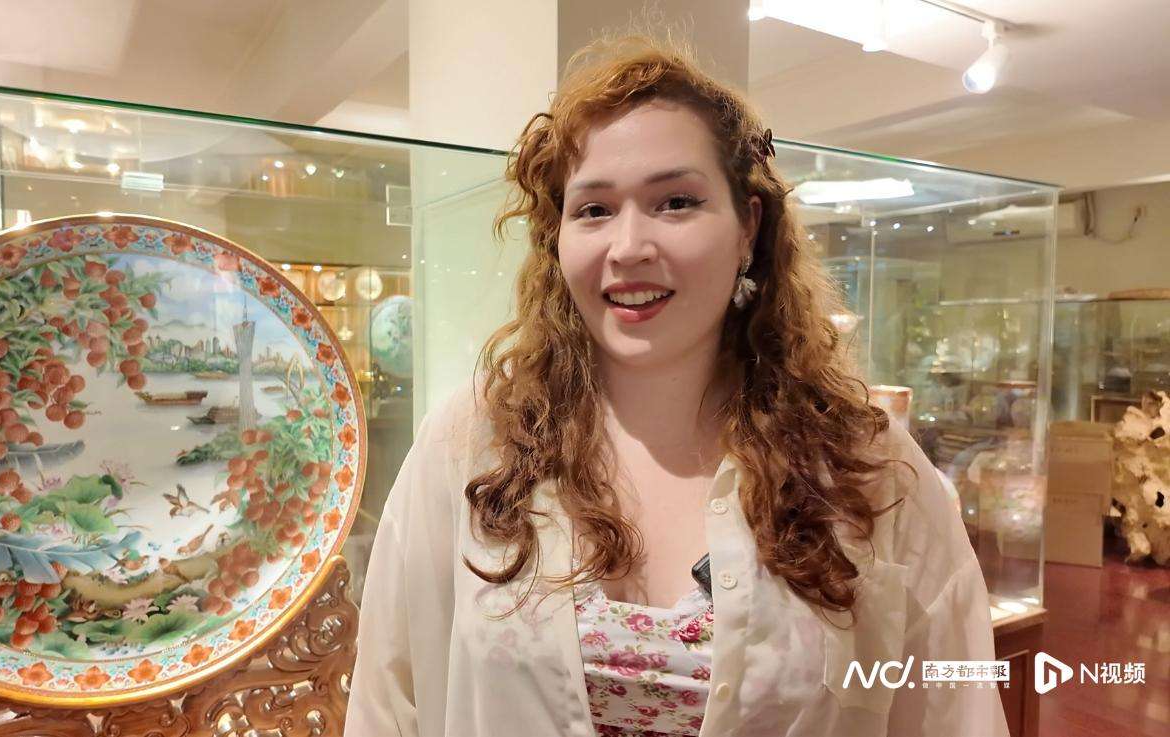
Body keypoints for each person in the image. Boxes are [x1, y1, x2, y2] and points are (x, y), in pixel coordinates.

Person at [344, 33, 1008, 737]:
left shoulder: (864, 462)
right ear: (557, 238)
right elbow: (387, 700)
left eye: (676, 202)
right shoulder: (473, 441)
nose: (629, 247)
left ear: (748, 226)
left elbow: (955, 709)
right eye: (593, 209)